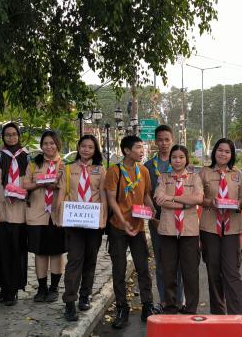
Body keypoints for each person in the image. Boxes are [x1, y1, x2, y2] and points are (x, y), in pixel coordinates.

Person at [104, 135, 157, 329]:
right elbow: (111, 199)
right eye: (138, 148)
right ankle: (122, 308)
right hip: (118, 227)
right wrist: (123, 221)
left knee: (143, 267)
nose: (142, 151)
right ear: (127, 151)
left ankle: (147, 306)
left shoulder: (143, 170)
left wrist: (152, 210)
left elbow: (145, 195)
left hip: (138, 226)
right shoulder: (114, 171)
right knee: (119, 269)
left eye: (142, 147)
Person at [58, 135, 108, 321]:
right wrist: (59, 215)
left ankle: (85, 296)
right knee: (74, 260)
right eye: (83, 146)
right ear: (78, 147)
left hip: (94, 222)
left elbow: (103, 195)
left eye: (90, 147)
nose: (86, 149)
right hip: (73, 222)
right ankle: (70, 301)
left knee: (90, 259)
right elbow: (62, 193)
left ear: (95, 150)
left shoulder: (100, 170)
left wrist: (103, 219)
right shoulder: (68, 168)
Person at [154, 145, 203, 314]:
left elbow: (198, 198)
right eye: (174, 157)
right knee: (168, 270)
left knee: (190, 272)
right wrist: (185, 204)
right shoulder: (163, 177)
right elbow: (160, 200)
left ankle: (190, 308)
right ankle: (171, 306)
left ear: (186, 159)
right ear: (170, 160)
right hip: (168, 230)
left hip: (189, 231)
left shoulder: (194, 178)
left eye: (181, 157)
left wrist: (172, 197)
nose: (177, 160)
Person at [198, 138, 242, 315]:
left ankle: (237, 314)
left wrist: (238, 203)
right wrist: (211, 202)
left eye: (227, 151)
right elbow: (198, 197)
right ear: (214, 152)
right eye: (220, 150)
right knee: (213, 271)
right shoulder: (204, 173)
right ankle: (218, 314)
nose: (223, 154)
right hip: (210, 227)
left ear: (231, 155)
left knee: (232, 272)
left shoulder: (238, 174)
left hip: (232, 227)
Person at [0, 122, 28, 306]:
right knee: (0, 251)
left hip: (20, 212)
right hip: (1, 211)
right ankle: (3, 287)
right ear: (3, 137)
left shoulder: (26, 157)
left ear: (19, 136)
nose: (11, 137)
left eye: (14, 134)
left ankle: (13, 289)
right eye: (7, 134)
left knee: (17, 252)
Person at [23, 130, 66, 303]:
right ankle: (41, 288)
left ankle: (54, 288)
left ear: (57, 145)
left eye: (52, 143)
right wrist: (40, 183)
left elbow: (69, 187)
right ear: (41, 146)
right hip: (37, 213)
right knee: (40, 253)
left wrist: (57, 184)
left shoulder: (65, 165)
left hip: (57, 215)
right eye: (45, 143)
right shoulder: (34, 164)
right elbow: (25, 184)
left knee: (56, 252)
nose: (49, 146)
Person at [143, 125, 184, 309]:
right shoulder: (148, 167)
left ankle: (179, 300)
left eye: (167, 139)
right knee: (161, 262)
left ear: (172, 140)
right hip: (157, 220)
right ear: (155, 142)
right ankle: (164, 300)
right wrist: (152, 215)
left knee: (179, 262)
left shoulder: (180, 162)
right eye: (160, 140)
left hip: (179, 219)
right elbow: (145, 193)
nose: (164, 143)